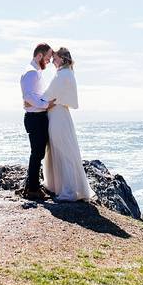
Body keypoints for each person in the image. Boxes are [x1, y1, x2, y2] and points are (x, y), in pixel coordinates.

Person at [41, 47, 94, 202]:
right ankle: (61, 187)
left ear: (63, 59)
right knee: (61, 150)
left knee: (62, 151)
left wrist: (32, 101)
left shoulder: (62, 75)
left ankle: (68, 191)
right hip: (60, 114)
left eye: (55, 58)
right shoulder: (67, 73)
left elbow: (48, 95)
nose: (52, 62)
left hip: (57, 115)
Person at [20, 43, 54, 200]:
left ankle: (30, 185)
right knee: (37, 153)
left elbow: (33, 96)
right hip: (34, 118)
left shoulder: (36, 72)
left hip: (38, 117)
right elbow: (28, 96)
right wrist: (46, 104)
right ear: (39, 55)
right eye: (47, 58)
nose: (48, 61)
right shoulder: (31, 72)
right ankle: (32, 189)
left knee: (38, 152)